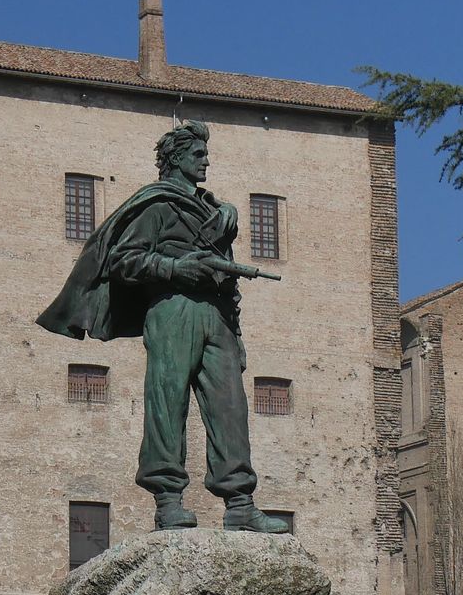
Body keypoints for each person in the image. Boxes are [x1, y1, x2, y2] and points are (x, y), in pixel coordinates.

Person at [39, 120, 290, 533]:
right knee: (166, 403)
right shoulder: (156, 205)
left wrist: (236, 329)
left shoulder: (215, 212)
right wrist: (175, 267)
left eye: (205, 154)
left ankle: (241, 502)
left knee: (231, 407)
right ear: (176, 158)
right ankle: (168, 500)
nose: (205, 160)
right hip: (173, 309)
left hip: (217, 313)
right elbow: (123, 261)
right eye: (197, 154)